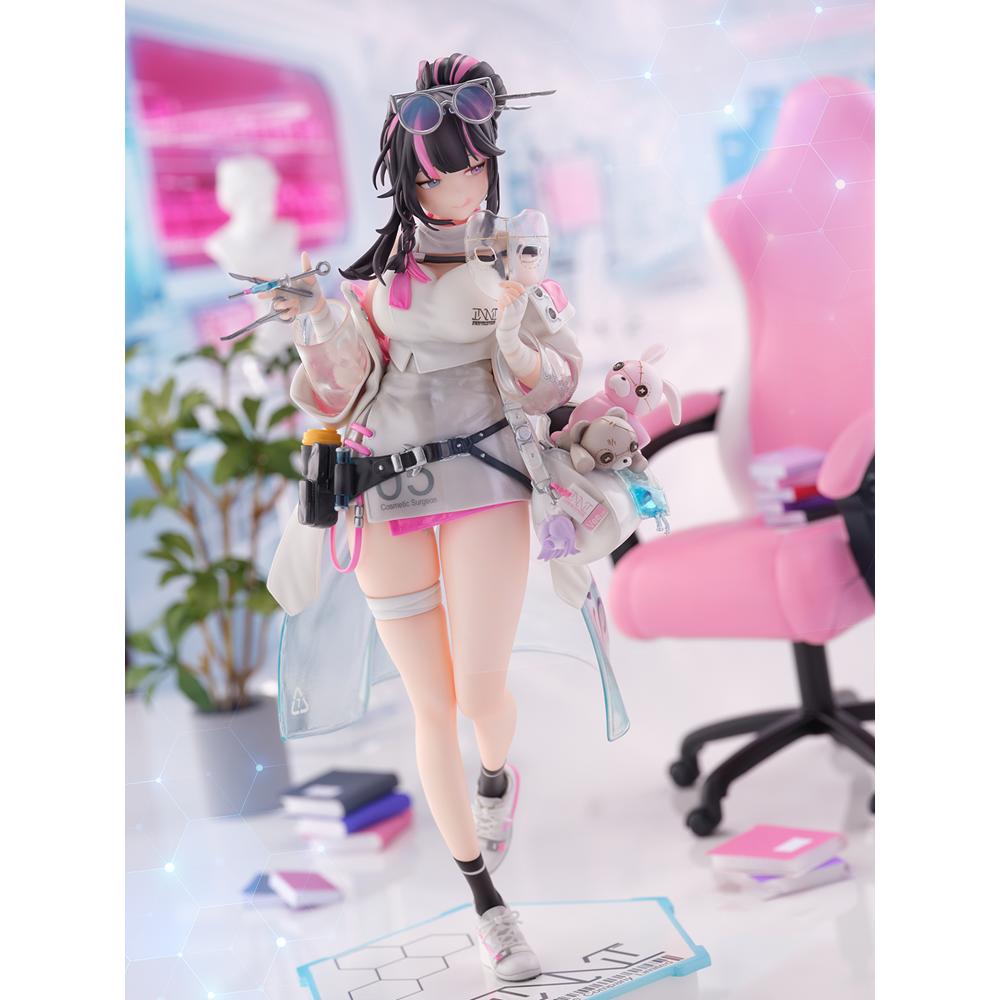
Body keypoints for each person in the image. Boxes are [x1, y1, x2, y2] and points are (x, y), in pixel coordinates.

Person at [265, 54, 580, 982]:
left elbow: (556, 381)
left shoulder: (516, 266)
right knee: (430, 707)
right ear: (409, 178)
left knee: (479, 697)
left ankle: (497, 773)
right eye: (440, 176)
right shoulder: (374, 282)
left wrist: (515, 327)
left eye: (474, 169)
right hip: (384, 494)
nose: (459, 189)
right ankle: (488, 903)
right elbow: (339, 393)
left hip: (486, 482)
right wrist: (316, 326)